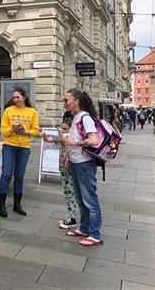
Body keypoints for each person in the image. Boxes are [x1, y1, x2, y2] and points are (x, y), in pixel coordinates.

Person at [61, 89, 103, 246]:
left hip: (85, 164)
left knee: (90, 200)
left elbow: (94, 140)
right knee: (80, 199)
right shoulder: (76, 117)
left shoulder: (85, 118)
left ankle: (95, 234)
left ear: (76, 101)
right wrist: (70, 158)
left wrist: (74, 143)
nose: (64, 103)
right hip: (76, 163)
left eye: (66, 100)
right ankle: (84, 228)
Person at [0, 88, 39, 218]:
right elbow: (3, 131)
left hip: (24, 147)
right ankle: (2, 205)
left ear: (24, 97)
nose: (15, 100)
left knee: (20, 175)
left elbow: (36, 130)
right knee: (6, 174)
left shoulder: (32, 112)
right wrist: (13, 129)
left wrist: (26, 132)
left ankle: (17, 205)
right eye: (14, 98)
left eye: (18, 97)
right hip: (9, 145)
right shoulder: (8, 111)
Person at [40, 118, 78, 229]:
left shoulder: (73, 138)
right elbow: (48, 140)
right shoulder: (62, 137)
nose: (62, 130)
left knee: (70, 193)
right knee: (67, 193)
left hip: (70, 168)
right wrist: (43, 135)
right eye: (61, 128)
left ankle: (72, 217)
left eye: (65, 129)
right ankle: (70, 215)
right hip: (63, 168)